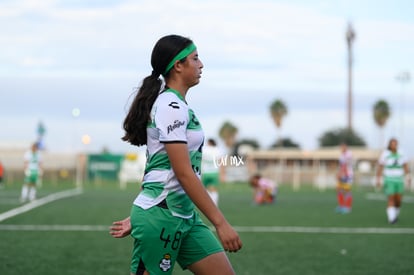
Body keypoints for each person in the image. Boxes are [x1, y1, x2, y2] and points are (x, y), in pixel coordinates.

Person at [109, 34, 242, 275]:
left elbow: (157, 164)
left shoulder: (176, 105)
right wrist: (221, 224)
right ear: (178, 66)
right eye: (195, 58)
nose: (201, 64)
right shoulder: (171, 106)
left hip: (183, 216)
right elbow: (183, 173)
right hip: (162, 218)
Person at [376, 138, 412, 224]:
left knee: (398, 200)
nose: (394, 145)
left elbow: (405, 165)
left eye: (395, 144)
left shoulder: (401, 153)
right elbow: (380, 166)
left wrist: (408, 177)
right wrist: (378, 179)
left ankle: (395, 215)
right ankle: (391, 218)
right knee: (391, 198)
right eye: (392, 144)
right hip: (389, 179)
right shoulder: (385, 154)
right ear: (389, 145)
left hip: (399, 179)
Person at [201, 138, 225, 206]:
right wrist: (223, 174)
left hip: (205, 172)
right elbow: (221, 162)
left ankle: (207, 204)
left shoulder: (204, 149)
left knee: (205, 189)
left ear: (209, 143)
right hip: (214, 172)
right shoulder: (218, 150)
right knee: (214, 189)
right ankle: (214, 204)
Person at [335, 143, 353, 214]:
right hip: (342, 175)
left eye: (343, 147)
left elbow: (345, 165)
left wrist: (340, 174)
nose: (342, 148)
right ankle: (341, 206)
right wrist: (338, 173)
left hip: (348, 175)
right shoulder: (341, 155)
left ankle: (348, 207)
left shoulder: (348, 154)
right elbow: (341, 166)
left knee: (346, 190)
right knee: (339, 189)